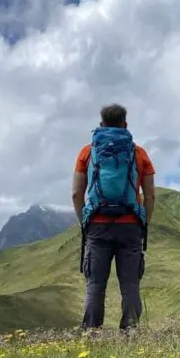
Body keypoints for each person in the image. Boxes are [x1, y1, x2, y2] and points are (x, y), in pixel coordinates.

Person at [71, 103, 156, 333]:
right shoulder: (140, 154)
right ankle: (130, 335)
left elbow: (76, 194)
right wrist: (143, 222)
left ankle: (91, 336)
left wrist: (84, 222)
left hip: (97, 226)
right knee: (130, 285)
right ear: (125, 125)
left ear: (101, 125)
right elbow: (149, 195)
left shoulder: (87, 152)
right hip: (130, 227)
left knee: (95, 286)